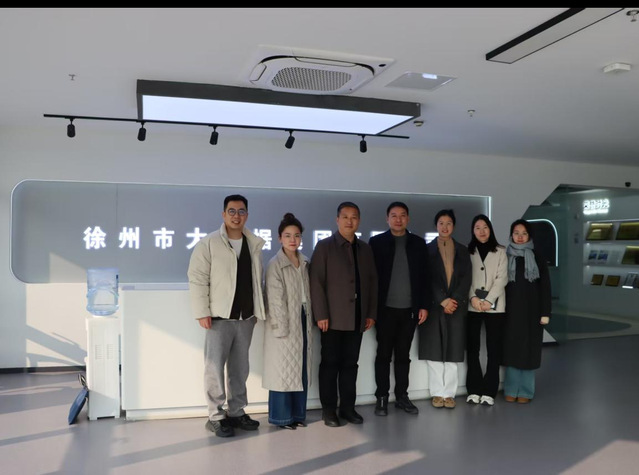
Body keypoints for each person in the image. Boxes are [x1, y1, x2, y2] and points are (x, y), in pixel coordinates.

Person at [187, 194, 265, 438]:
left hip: (246, 318)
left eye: (241, 211)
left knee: (240, 369)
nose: (236, 216)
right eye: (231, 211)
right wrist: (202, 312)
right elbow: (197, 278)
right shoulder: (209, 243)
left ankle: (237, 411)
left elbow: (256, 280)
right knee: (214, 368)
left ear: (247, 215)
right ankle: (215, 416)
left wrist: (257, 311)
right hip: (218, 318)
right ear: (223, 214)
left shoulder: (253, 243)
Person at [310, 201, 378, 427]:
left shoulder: (365, 249)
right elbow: (316, 283)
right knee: (330, 365)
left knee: (351, 365)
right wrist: (321, 314)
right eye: (345, 217)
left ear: (359, 221)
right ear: (337, 220)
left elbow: (372, 282)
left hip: (357, 318)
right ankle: (329, 410)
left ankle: (348, 408)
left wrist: (370, 312)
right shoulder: (324, 246)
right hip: (331, 319)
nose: (350, 221)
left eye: (354, 217)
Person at [369, 201, 430, 416]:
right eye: (394, 215)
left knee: (403, 356)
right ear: (387, 219)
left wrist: (424, 305)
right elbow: (370, 278)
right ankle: (382, 397)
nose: (398, 219)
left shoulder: (418, 243)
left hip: (409, 310)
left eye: (402, 215)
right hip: (385, 310)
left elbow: (425, 277)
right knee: (383, 355)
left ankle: (402, 396)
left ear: (408, 218)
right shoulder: (376, 243)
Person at [262, 213, 313, 430]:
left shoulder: (305, 262)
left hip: (303, 317)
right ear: (279, 238)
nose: (293, 240)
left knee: (300, 368)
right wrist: (281, 328)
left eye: (297, 235)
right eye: (288, 235)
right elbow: (274, 300)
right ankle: (282, 418)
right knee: (282, 370)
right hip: (284, 322)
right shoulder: (275, 264)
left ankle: (298, 415)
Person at [418, 209, 471, 409]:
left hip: (456, 307)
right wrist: (442, 300)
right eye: (441, 223)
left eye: (449, 223)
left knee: (452, 352)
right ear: (436, 226)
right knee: (434, 353)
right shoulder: (426, 249)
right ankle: (437, 393)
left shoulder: (463, 250)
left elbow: (467, 278)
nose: (445, 227)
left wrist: (453, 300)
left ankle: (449, 394)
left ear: (453, 226)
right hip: (434, 307)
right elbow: (426, 278)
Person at [502, 219, 551, 403]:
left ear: (529, 236)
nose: (520, 237)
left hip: (533, 312)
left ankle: (525, 391)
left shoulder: (537, 257)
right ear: (511, 235)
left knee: (529, 351)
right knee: (511, 350)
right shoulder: (505, 256)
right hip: (510, 312)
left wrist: (545, 312)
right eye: (516, 233)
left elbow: (545, 286)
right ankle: (511, 389)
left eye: (524, 233)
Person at [465, 214, 508, 407]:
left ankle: (490, 390)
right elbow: (464, 278)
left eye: (485, 227)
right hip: (473, 306)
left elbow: (502, 278)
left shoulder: (500, 251)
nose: (481, 231)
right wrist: (473, 298)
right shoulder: (467, 251)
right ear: (473, 231)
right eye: (477, 228)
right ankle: (474, 389)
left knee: (494, 349)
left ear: (490, 229)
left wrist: (489, 300)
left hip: (495, 306)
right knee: (472, 349)